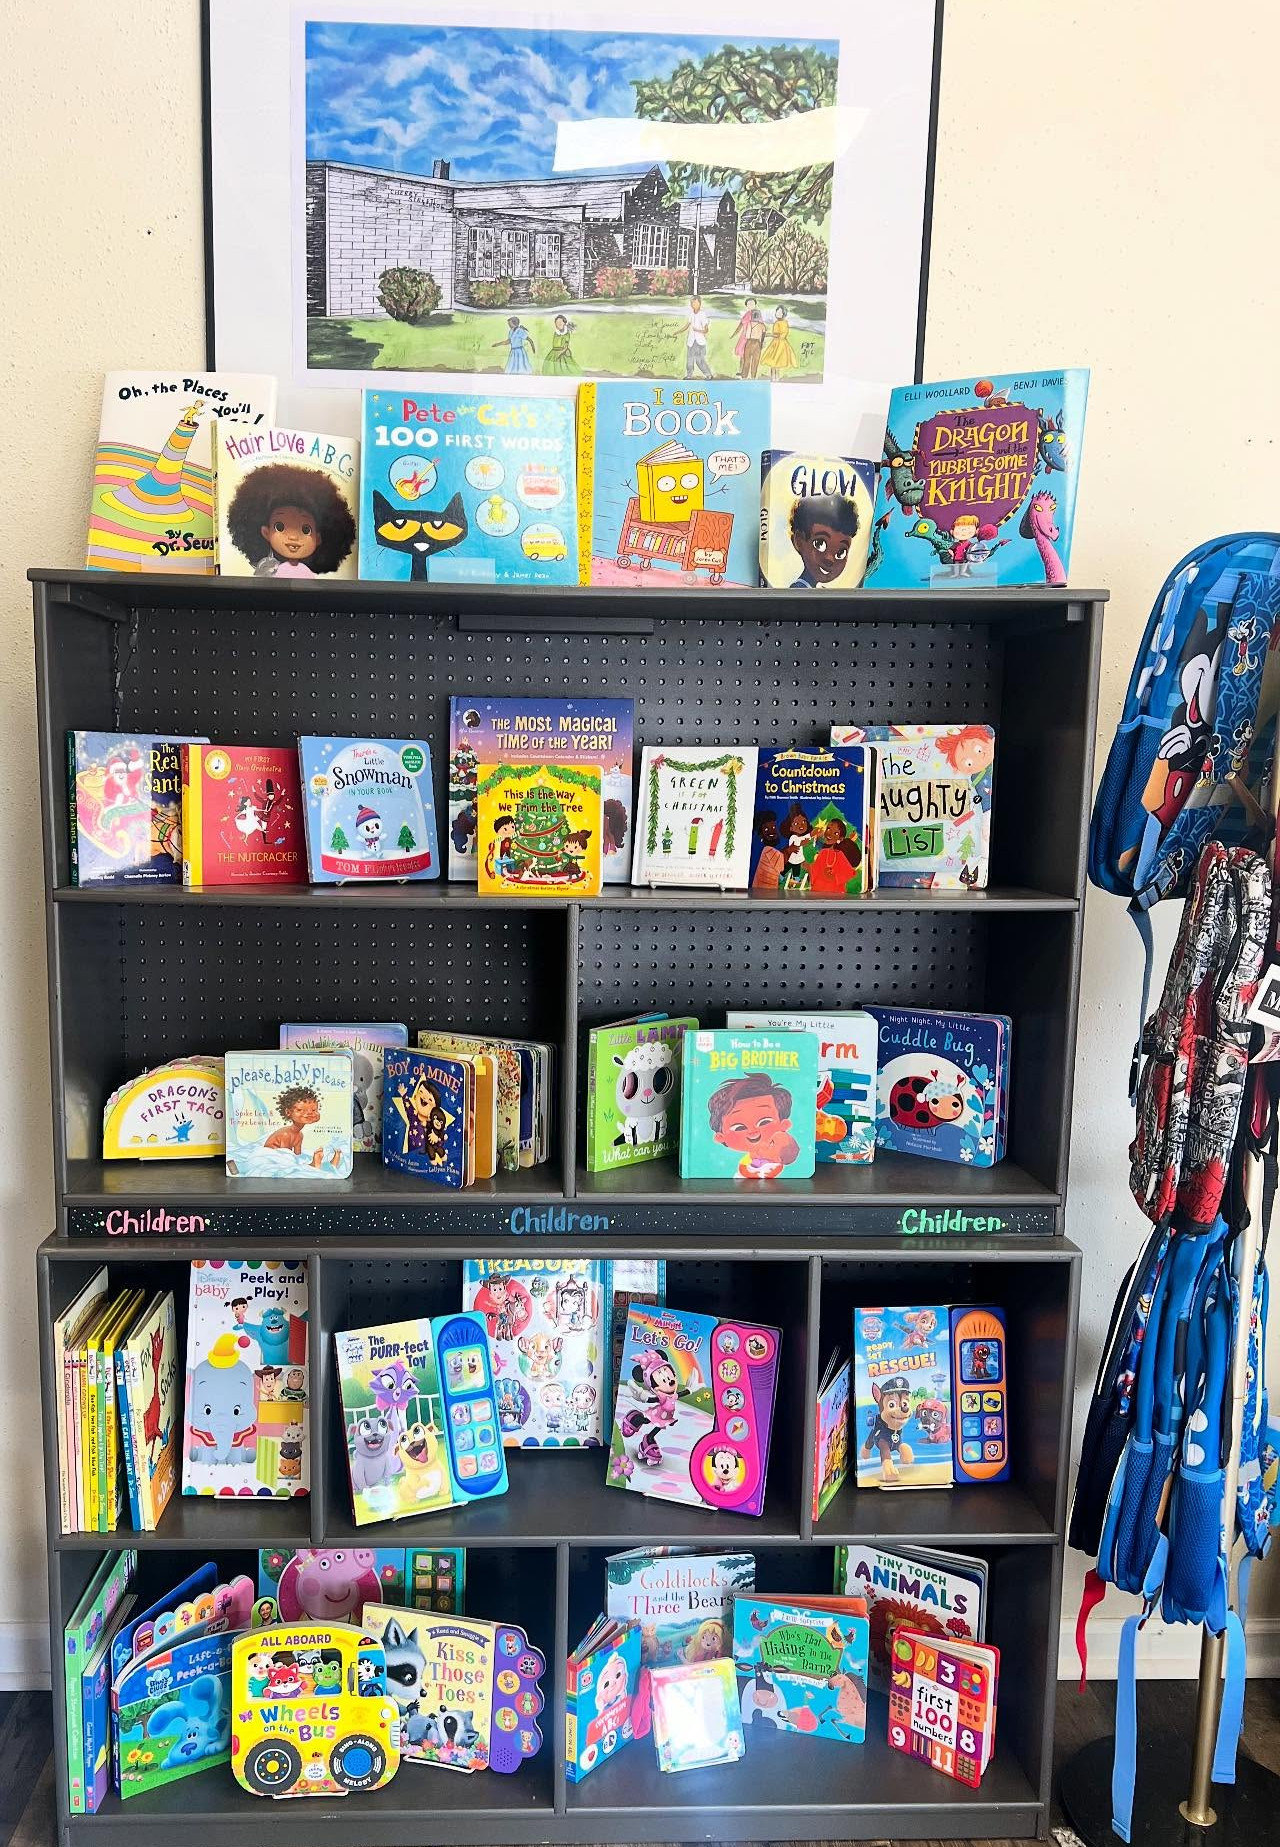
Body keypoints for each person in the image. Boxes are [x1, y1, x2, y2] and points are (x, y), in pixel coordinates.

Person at [760, 305, 797, 378]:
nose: (778, 313)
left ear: (784, 314)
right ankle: (774, 377)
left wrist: (768, 335)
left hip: (779, 344)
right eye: (777, 312)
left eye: (780, 312)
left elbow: (779, 335)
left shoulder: (780, 323)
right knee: (775, 362)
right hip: (778, 343)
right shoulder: (781, 322)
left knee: (775, 361)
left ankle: (775, 377)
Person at [733, 297, 766, 378]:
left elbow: (762, 328)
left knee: (750, 357)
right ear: (746, 305)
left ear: (755, 304)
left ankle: (749, 374)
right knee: (742, 355)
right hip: (745, 336)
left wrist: (761, 339)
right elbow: (741, 324)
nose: (750, 305)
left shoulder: (757, 314)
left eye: (752, 303)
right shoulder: (747, 314)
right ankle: (741, 371)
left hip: (752, 338)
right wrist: (735, 333)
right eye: (748, 304)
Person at [684, 295, 713, 380]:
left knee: (699, 360)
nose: (694, 305)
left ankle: (708, 375)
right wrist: (677, 332)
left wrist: (697, 330)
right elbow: (687, 325)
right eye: (692, 303)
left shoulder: (702, 314)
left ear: (700, 303)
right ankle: (689, 375)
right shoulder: (691, 314)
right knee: (689, 360)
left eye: (696, 303)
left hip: (700, 342)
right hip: (691, 341)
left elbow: (706, 330)